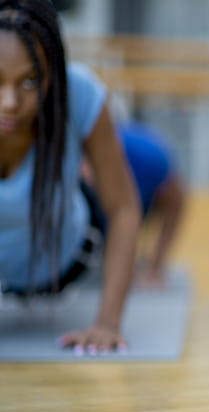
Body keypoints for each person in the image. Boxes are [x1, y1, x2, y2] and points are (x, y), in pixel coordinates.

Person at [0, 0, 140, 354]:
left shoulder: (78, 92)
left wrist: (108, 322)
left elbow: (123, 209)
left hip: (62, 263)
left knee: (89, 192)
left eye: (30, 81)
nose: (10, 103)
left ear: (53, 73)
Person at [82, 121, 185, 288]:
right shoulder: (94, 160)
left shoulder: (154, 163)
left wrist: (156, 266)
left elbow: (175, 206)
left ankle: (149, 267)